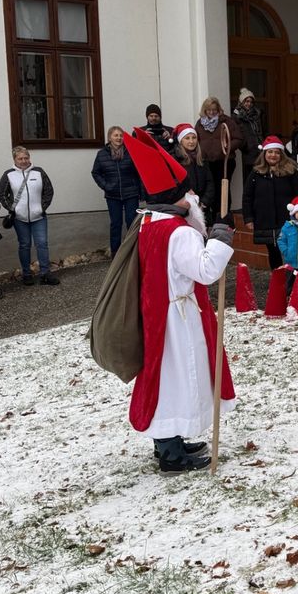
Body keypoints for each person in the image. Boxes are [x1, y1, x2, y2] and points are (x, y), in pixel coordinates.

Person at [123, 127, 236, 474]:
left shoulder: (149, 223)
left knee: (165, 376)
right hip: (179, 314)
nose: (192, 196)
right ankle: (171, 454)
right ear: (176, 197)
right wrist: (219, 239)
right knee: (178, 377)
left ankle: (170, 440)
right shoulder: (179, 232)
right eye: (186, 191)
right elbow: (205, 271)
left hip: (161, 310)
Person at [242, 136, 298, 269]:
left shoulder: (291, 172)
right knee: (273, 251)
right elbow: (247, 196)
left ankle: (296, 280)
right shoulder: (255, 174)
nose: (273, 155)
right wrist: (248, 218)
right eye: (270, 152)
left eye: (277, 152)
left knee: (292, 250)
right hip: (265, 220)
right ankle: (278, 280)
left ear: (282, 155)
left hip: (288, 220)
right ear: (264, 154)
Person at [0, 146, 58, 286]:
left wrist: (42, 208)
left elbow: (49, 191)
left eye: (26, 158)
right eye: (20, 158)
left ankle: (45, 274)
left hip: (39, 217)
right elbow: (1, 194)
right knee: (24, 245)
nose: (24, 161)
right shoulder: (8, 175)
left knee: (42, 244)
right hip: (20, 218)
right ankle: (26, 274)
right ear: (15, 159)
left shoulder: (39, 172)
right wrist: (13, 209)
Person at [91, 126, 141, 255]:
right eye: (116, 135)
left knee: (132, 223)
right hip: (112, 195)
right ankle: (116, 255)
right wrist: (106, 186)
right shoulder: (102, 154)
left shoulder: (130, 151)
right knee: (115, 225)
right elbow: (96, 173)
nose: (119, 138)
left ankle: (133, 254)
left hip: (131, 193)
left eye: (121, 135)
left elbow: (138, 171)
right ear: (109, 138)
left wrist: (137, 187)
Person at [195, 96, 244, 202]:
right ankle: (212, 215)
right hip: (206, 162)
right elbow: (196, 140)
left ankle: (223, 215)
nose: (212, 112)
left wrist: (228, 146)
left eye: (214, 110)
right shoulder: (199, 124)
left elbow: (239, 138)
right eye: (209, 110)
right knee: (209, 189)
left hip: (225, 162)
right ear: (205, 110)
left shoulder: (227, 121)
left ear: (218, 109)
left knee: (223, 190)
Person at [174, 124, 217, 227]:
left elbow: (209, 182)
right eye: (187, 138)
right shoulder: (175, 160)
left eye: (194, 138)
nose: (191, 141)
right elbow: (175, 184)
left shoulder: (201, 158)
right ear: (181, 140)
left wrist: (204, 202)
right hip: (185, 207)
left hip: (202, 207)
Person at [232, 89, 263, 164]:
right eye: (246, 101)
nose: (249, 104)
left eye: (251, 102)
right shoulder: (236, 117)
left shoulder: (257, 115)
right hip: (246, 152)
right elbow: (235, 133)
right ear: (241, 102)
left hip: (259, 149)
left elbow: (262, 131)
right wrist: (245, 146)